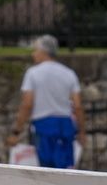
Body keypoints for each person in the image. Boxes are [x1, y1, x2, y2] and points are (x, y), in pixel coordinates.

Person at [6, 34, 86, 168]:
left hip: (44, 125)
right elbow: (77, 106)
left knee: (46, 170)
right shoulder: (69, 73)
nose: (33, 54)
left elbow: (27, 104)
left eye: (35, 50)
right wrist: (82, 131)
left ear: (43, 52)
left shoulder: (33, 73)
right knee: (65, 169)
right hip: (65, 125)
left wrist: (16, 132)